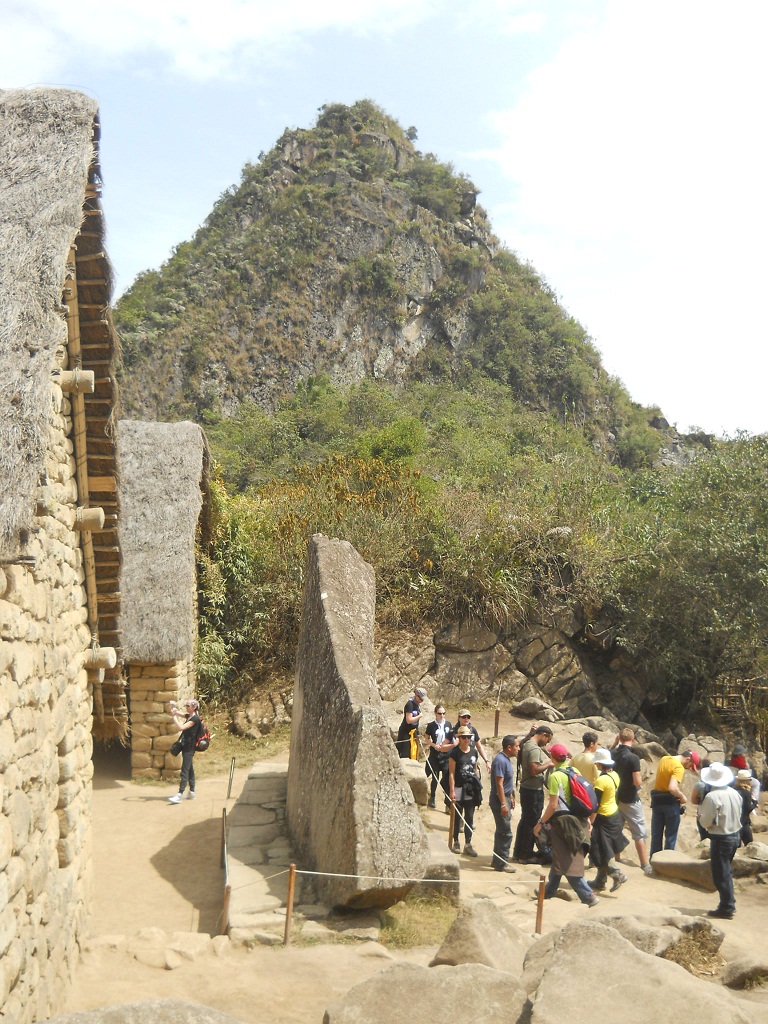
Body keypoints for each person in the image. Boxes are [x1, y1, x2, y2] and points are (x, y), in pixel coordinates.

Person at [534, 743, 599, 907]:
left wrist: (541, 823)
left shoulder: (555, 776)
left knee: (568, 861)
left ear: (552, 757)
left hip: (563, 823)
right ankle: (549, 891)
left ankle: (588, 896)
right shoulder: (573, 770)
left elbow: (553, 805)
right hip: (578, 818)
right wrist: (588, 819)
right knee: (559, 856)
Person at [698, 762, 743, 919]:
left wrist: (701, 819)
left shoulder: (712, 797)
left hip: (721, 836)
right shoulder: (734, 793)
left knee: (720, 873)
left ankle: (727, 906)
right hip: (735, 833)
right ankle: (728, 902)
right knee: (726, 870)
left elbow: (705, 822)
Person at [611, 727, 652, 874]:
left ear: (620, 738)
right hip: (630, 798)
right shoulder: (633, 758)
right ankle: (645, 864)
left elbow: (610, 752)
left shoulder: (612, 754)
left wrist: (615, 743)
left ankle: (616, 857)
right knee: (639, 831)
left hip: (615, 797)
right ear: (632, 739)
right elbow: (637, 781)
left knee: (617, 828)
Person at [513, 725, 554, 864]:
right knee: (531, 823)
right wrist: (549, 764)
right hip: (533, 791)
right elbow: (534, 770)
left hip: (527, 789)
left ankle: (518, 852)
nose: (546, 743)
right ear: (543, 735)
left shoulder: (527, 744)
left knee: (525, 821)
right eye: (547, 740)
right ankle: (526, 855)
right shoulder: (534, 749)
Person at [589, 748, 629, 892]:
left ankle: (617, 873)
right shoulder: (614, 775)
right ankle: (600, 881)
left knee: (599, 849)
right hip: (613, 815)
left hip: (603, 818)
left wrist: (590, 822)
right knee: (604, 848)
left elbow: (596, 804)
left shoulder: (601, 780)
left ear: (600, 763)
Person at [649, 749, 700, 856]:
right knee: (670, 836)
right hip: (670, 804)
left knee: (656, 835)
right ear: (688, 759)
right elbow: (672, 787)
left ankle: (654, 860)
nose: (689, 768)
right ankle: (667, 861)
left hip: (657, 801)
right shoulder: (678, 767)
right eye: (690, 765)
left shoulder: (664, 759)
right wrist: (682, 797)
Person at [448, 726, 481, 856]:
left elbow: (475, 768)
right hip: (458, 787)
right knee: (457, 816)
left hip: (470, 788)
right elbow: (451, 773)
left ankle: (468, 843)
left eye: (468, 737)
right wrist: (452, 790)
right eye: (464, 737)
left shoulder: (474, 752)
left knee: (469, 817)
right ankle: (456, 841)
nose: (466, 740)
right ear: (459, 738)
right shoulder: (454, 753)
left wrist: (477, 784)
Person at [489, 735, 519, 872]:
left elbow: (507, 782)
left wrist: (510, 796)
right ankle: (502, 863)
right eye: (516, 746)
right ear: (509, 747)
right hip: (499, 799)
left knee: (501, 830)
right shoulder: (500, 761)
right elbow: (499, 784)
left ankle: (497, 861)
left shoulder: (506, 759)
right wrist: (503, 804)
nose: (518, 748)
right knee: (506, 832)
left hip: (505, 797)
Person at [168, 698, 202, 803]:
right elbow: (179, 713)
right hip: (186, 746)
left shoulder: (195, 719)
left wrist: (173, 717)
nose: (186, 707)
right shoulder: (189, 716)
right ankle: (192, 792)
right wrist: (173, 707)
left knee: (184, 771)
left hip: (189, 748)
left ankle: (180, 794)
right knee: (190, 769)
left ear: (194, 707)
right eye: (186, 705)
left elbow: (181, 727)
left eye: (188, 706)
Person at [424, 704, 455, 809]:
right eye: (439, 713)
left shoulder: (448, 724)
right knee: (435, 777)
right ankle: (432, 797)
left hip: (446, 755)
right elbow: (426, 738)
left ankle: (447, 802)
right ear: (435, 713)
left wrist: (448, 746)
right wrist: (433, 745)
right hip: (435, 754)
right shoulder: (431, 725)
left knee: (446, 778)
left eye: (443, 713)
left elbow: (451, 738)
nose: (442, 715)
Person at [453, 709, 491, 773]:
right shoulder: (453, 731)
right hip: (458, 761)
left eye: (468, 717)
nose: (466, 719)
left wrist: (487, 761)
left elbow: (479, 747)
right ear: (459, 718)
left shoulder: (473, 730)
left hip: (471, 759)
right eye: (464, 717)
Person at [396, 686, 427, 759]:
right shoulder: (409, 704)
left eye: (422, 699)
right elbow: (409, 720)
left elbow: (416, 723)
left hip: (413, 732)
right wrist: (419, 716)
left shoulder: (417, 705)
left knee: (413, 753)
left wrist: (418, 733)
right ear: (416, 695)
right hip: (405, 733)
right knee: (404, 754)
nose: (421, 701)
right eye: (420, 699)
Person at [733, 769, 757, 846]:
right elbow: (748, 809)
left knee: (736, 846)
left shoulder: (732, 790)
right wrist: (755, 802)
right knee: (749, 844)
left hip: (733, 822)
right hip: (743, 822)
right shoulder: (746, 793)